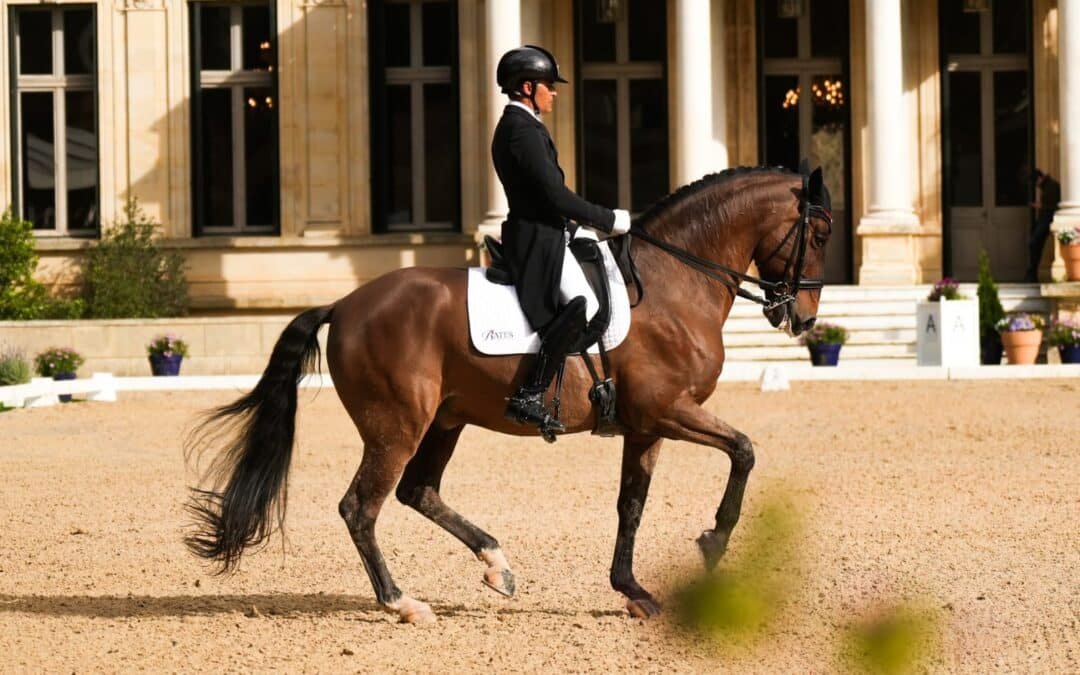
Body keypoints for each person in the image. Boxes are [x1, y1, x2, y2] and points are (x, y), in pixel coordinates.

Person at [492, 45, 631, 436]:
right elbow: (555, 196)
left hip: (548, 230)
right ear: (526, 87)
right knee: (582, 307)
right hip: (536, 239)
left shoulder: (526, 127)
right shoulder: (520, 131)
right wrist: (608, 219)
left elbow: (547, 197)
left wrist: (575, 227)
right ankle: (530, 393)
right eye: (548, 86)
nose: (553, 93)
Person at [1026, 169, 1061, 282]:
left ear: (1040, 178)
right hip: (1043, 219)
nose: (1037, 186)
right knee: (1035, 245)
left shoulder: (1051, 186)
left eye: (1036, 183)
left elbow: (1054, 206)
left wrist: (1040, 206)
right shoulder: (1047, 186)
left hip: (1046, 220)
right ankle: (1033, 273)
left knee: (1034, 244)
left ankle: (1033, 273)